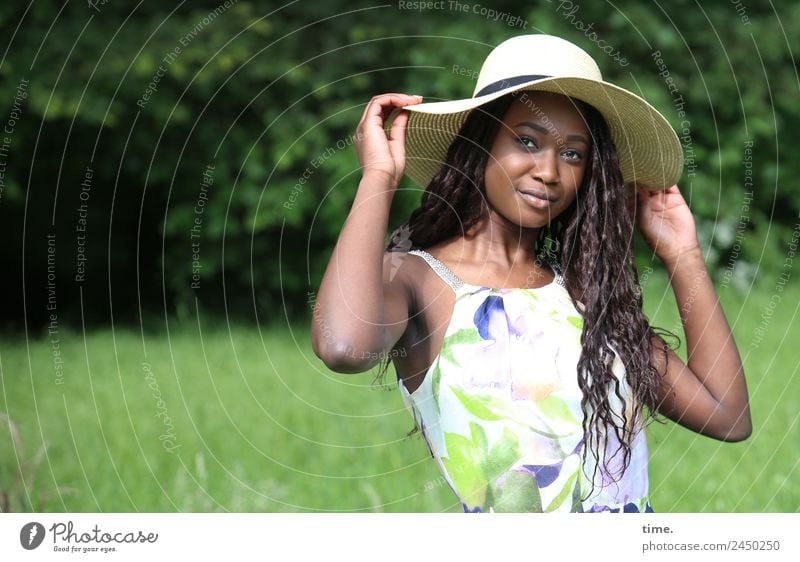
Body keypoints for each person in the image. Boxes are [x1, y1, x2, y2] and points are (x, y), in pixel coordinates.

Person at [311, 34, 751, 513]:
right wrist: (378, 178)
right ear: (482, 144)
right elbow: (343, 346)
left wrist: (682, 254)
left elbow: (727, 416)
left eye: (573, 153)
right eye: (526, 141)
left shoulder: (584, 294)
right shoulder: (416, 278)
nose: (549, 171)